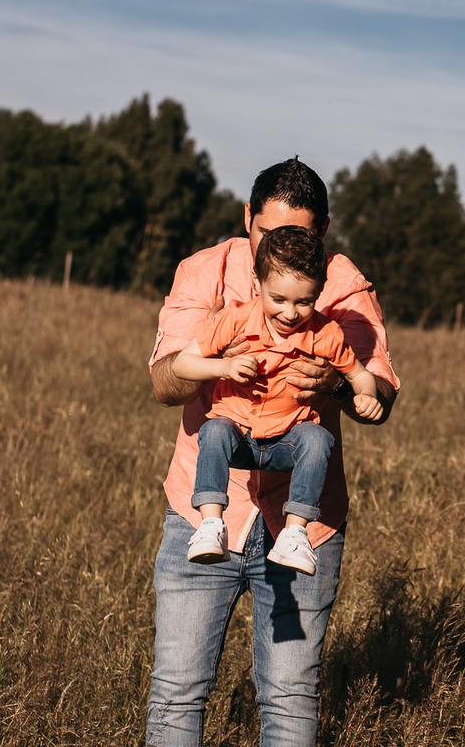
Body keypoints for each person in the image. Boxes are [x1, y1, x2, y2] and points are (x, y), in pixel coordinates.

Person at [146, 158, 399, 747]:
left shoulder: (346, 290)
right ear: (246, 220)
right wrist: (220, 364)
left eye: (302, 237)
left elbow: (379, 394)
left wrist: (336, 385)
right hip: (202, 513)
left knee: (289, 700)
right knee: (177, 691)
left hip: (304, 525)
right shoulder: (205, 272)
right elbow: (163, 382)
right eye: (265, 233)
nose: (280, 246)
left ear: (325, 231)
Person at [173, 225, 384, 575]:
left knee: (318, 438)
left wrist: (366, 395)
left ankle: (295, 534)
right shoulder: (236, 319)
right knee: (213, 432)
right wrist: (223, 365)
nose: (290, 313)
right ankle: (211, 526)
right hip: (238, 436)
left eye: (304, 302)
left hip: (288, 442)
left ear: (319, 292)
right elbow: (182, 363)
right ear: (258, 284)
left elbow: (360, 375)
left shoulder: (325, 334)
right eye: (279, 300)